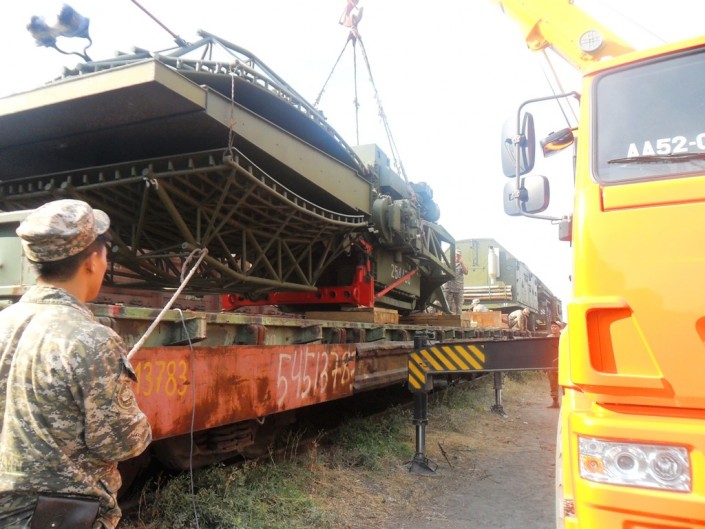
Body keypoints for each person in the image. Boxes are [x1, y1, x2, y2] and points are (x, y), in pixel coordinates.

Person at [0, 199, 152, 528]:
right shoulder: (92, 341)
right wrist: (139, 422)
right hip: (59, 518)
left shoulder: (3, 324)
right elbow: (123, 442)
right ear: (93, 261)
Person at [444, 249, 469, 315]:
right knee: (446, 306)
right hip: (448, 288)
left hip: (458, 289)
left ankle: (458, 319)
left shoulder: (462, 265)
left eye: (458, 255)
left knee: (459, 307)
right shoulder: (448, 263)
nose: (457, 257)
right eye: (456, 255)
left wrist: (462, 263)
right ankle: (446, 319)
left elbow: (466, 272)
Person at [546, 320, 564, 408]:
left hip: (563, 364)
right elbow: (545, 352)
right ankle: (555, 402)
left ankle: (566, 402)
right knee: (553, 384)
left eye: (556, 326)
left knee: (565, 384)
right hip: (552, 365)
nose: (553, 328)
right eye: (552, 326)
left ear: (560, 328)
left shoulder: (564, 338)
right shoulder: (548, 338)